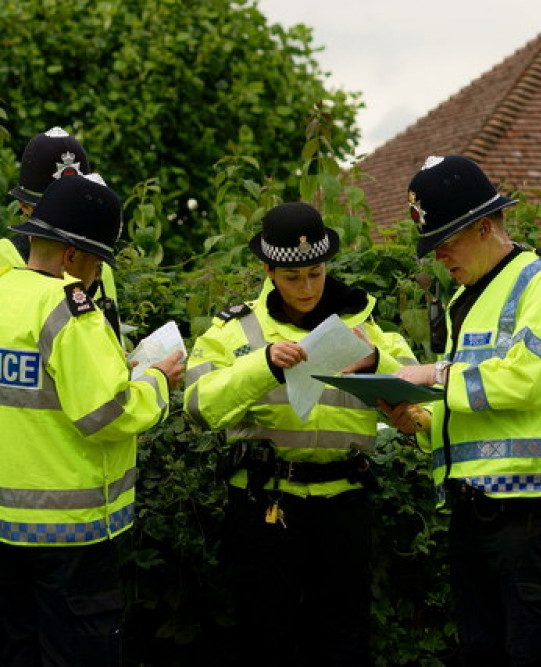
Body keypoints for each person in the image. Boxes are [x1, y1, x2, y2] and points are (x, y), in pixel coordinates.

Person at [0, 174, 185, 666]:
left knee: (19, 650)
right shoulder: (68, 311)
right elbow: (108, 412)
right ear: (71, 256)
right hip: (72, 531)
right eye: (99, 260)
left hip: (4, 524)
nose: (98, 273)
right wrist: (158, 380)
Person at [184, 202, 417, 666]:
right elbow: (196, 405)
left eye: (316, 273)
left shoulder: (364, 326)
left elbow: (417, 391)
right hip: (263, 503)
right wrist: (263, 365)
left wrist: (378, 364)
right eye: (293, 277)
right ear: (269, 270)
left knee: (344, 642)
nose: (307, 287)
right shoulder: (236, 330)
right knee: (266, 640)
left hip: (344, 505)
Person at [382, 155, 541, 666]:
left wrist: (430, 374)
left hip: (535, 514)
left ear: (485, 226)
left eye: (446, 241)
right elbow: (472, 404)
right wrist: (419, 426)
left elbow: (529, 381)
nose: (439, 257)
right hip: (471, 516)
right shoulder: (462, 301)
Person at [0, 126, 119, 665]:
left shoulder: (96, 263)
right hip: (7, 471)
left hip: (70, 475)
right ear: (23, 205)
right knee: (7, 632)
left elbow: (101, 347)